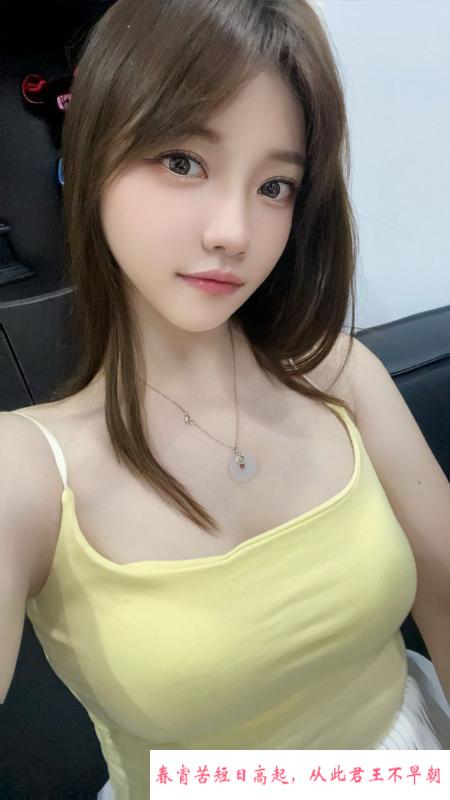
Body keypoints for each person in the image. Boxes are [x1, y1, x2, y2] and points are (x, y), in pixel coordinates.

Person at [1, 1, 449, 798]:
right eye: (182, 161)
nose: (234, 231)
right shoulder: (29, 470)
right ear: (93, 157)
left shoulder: (340, 376)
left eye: (275, 185)